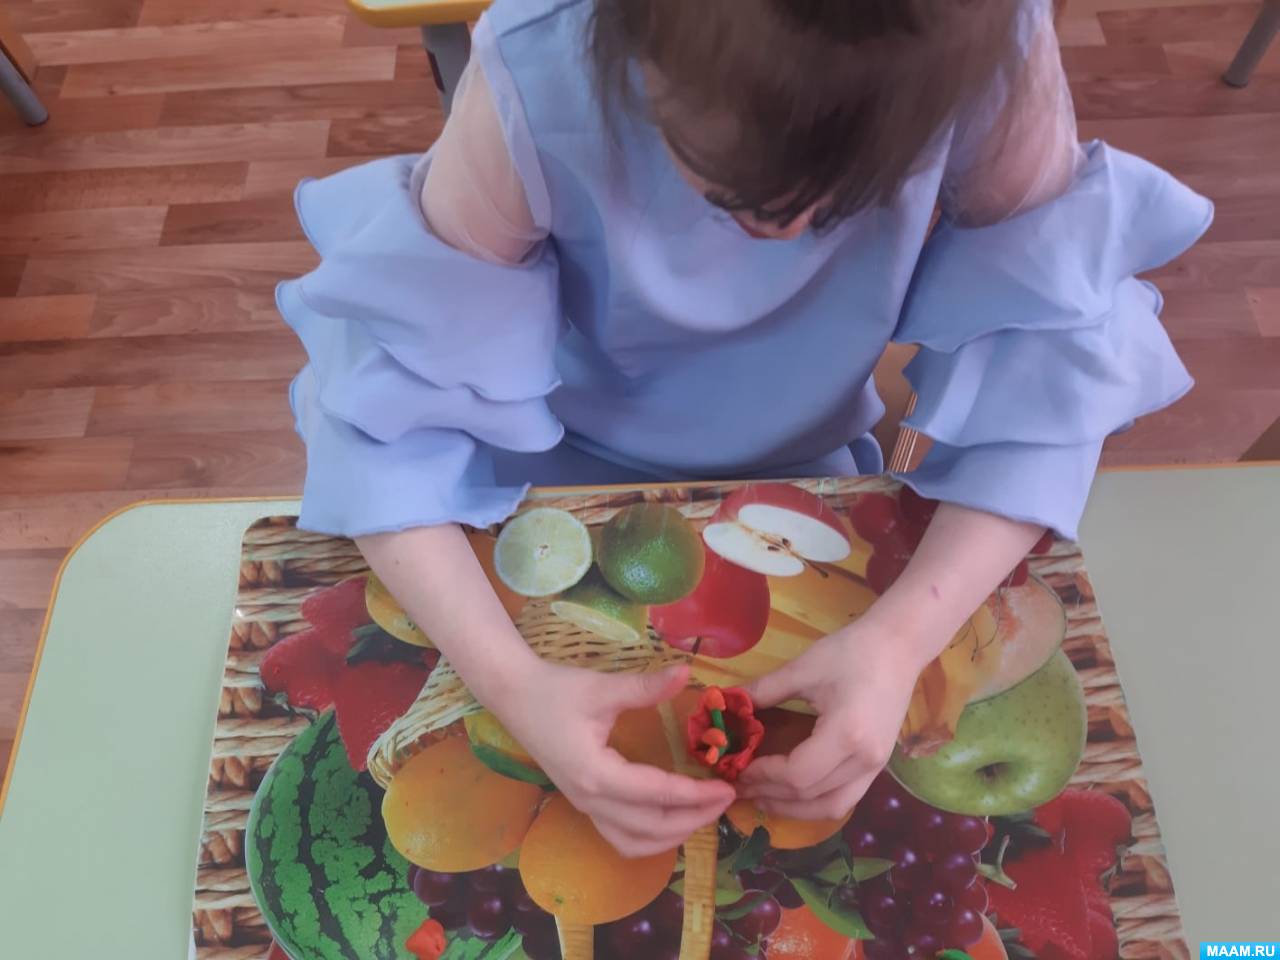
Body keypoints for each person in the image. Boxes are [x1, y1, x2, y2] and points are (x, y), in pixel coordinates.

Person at [280, 0, 1211, 857]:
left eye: (843, 202)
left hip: (811, 470)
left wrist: (900, 643)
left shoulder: (986, 38)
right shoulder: (534, 72)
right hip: (551, 472)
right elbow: (380, 424)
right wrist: (510, 684)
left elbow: (1051, 372)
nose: (789, 230)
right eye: (734, 193)